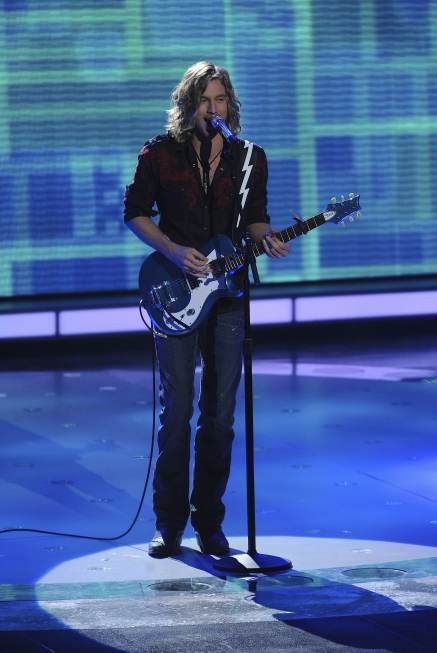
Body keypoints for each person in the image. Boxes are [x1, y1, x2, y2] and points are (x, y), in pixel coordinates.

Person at [124, 61, 290, 558]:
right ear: (188, 104)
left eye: (219, 100)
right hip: (175, 289)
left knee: (219, 415)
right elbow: (135, 213)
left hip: (228, 295)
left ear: (229, 105)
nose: (212, 109)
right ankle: (168, 523)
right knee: (176, 412)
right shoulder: (159, 153)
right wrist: (174, 251)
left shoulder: (249, 157)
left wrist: (268, 238)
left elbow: (255, 219)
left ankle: (209, 523)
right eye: (203, 100)